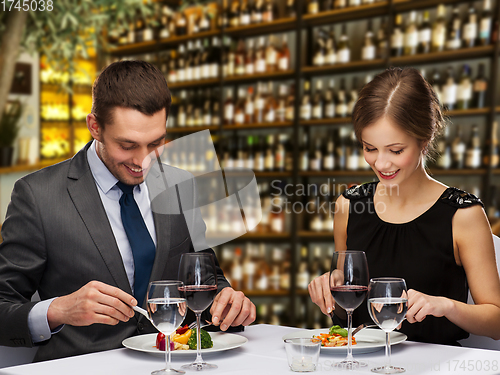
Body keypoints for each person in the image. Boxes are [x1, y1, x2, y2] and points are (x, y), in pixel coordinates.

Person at [0, 60, 255, 361]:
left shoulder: (180, 184)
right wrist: (59, 310)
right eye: (127, 145)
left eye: (155, 143)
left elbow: (203, 277)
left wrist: (226, 302)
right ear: (94, 126)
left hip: (175, 363)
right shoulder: (38, 196)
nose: (143, 160)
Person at [308, 67, 500, 345]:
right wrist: (330, 289)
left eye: (396, 150)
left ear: (425, 140)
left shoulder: (463, 215)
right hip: (361, 364)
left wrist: (446, 306)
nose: (381, 164)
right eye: (369, 148)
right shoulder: (348, 206)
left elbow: (496, 322)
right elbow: (346, 316)